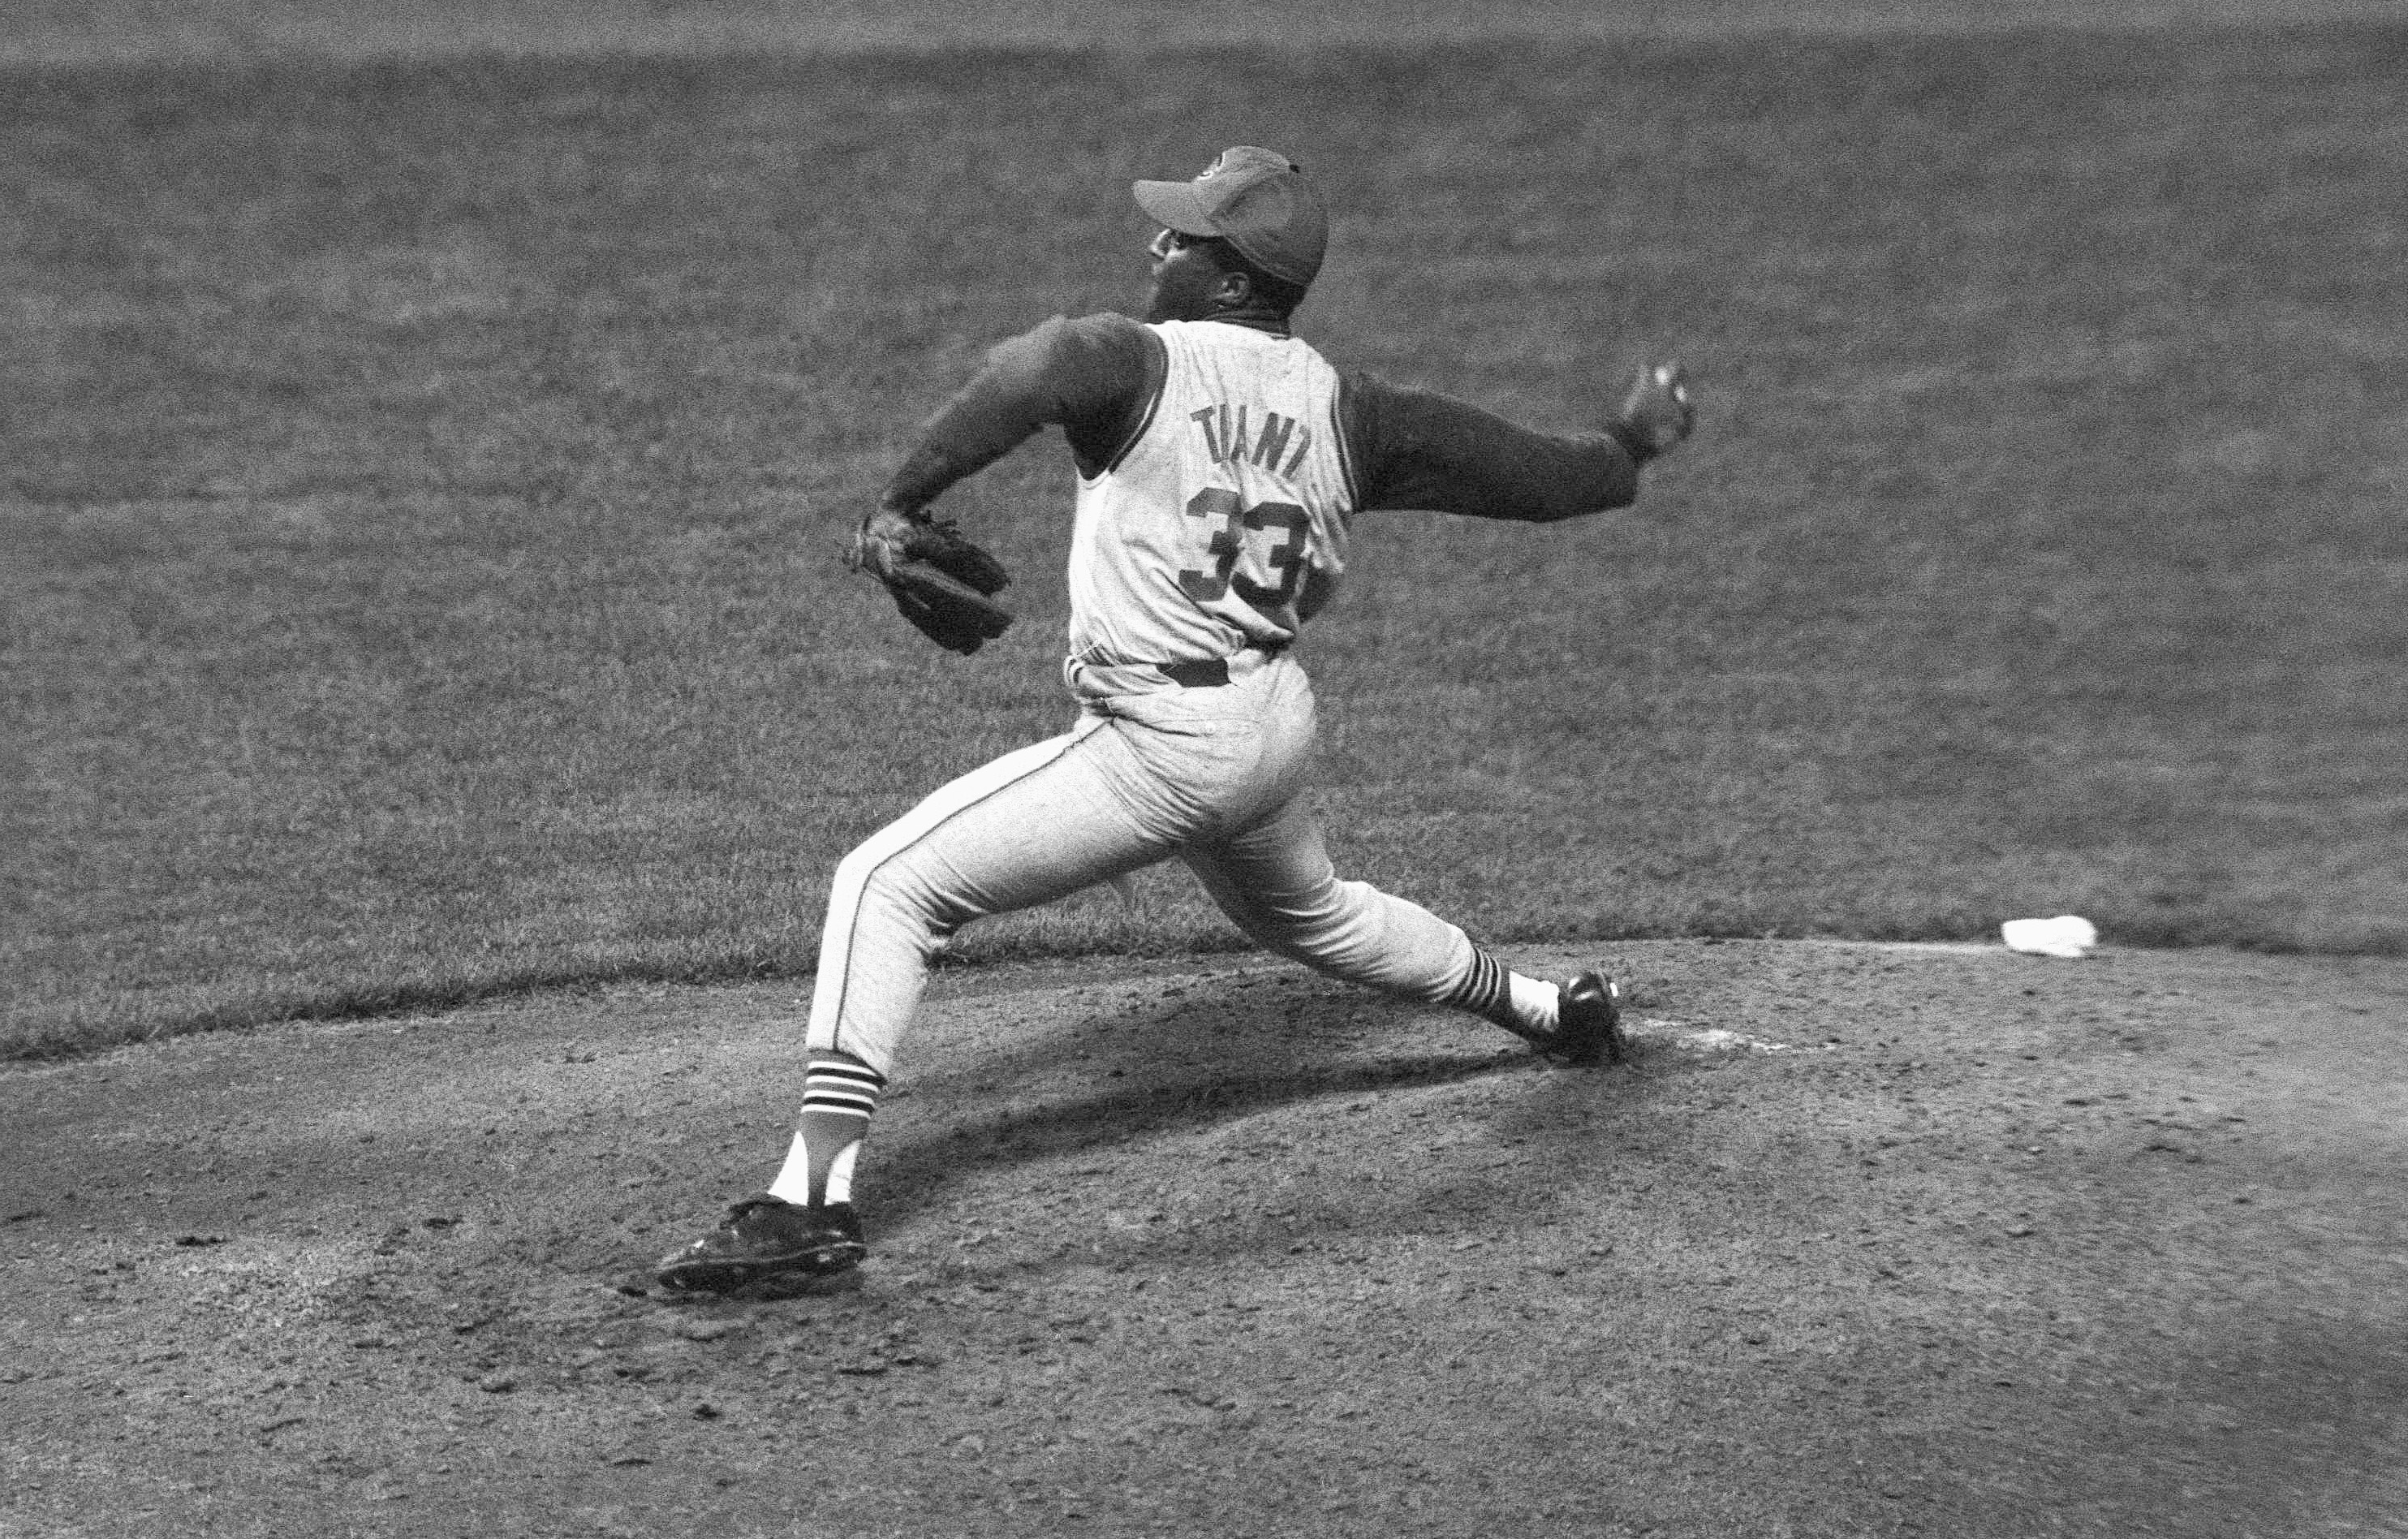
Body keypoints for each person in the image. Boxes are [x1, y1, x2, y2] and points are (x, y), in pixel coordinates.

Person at [655, 146, 1696, 1294]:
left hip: (1160, 746)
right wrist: (1636, 442)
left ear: (1233, 275)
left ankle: (811, 1201)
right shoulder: (1359, 415)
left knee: (886, 884)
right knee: (1316, 916)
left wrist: (902, 500)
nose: (1160, 247)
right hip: (1265, 725)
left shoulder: (1137, 362)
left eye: (1185, 237)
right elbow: (1549, 479)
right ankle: (1552, 1011)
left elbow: (1036, 362)